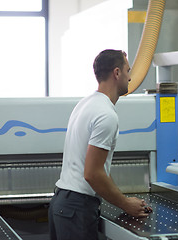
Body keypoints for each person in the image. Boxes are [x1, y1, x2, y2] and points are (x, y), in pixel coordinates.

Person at [48, 49, 150, 240]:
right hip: (77, 208)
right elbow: (92, 173)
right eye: (128, 71)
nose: (130, 78)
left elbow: (99, 167)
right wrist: (126, 204)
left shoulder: (85, 104)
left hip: (62, 203)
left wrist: (123, 199)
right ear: (117, 73)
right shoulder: (106, 115)